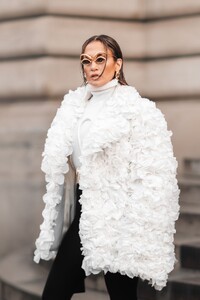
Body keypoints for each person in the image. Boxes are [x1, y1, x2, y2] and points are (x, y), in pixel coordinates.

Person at [34, 34, 180, 300]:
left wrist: (136, 230)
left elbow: (154, 176)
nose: (93, 67)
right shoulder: (75, 107)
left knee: (123, 296)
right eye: (86, 61)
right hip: (84, 210)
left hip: (120, 217)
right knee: (54, 292)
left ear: (118, 63)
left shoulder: (138, 111)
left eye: (101, 59)